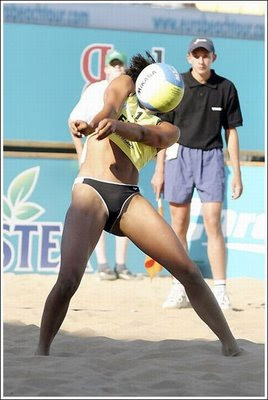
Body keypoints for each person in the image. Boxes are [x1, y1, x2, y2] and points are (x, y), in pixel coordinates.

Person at [35, 52, 241, 357]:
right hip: (91, 188)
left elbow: (146, 134)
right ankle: (41, 352)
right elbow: (108, 108)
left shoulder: (170, 129)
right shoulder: (124, 84)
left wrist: (117, 127)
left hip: (128, 197)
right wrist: (92, 125)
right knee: (68, 278)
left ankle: (230, 344)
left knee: (187, 271)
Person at [151, 37, 243, 310]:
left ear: (214, 57)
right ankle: (179, 286)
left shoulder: (226, 87)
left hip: (212, 157)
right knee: (177, 225)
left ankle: (221, 290)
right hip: (178, 156)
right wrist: (159, 171)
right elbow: (164, 132)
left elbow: (232, 132)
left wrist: (237, 172)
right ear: (188, 57)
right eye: (196, 55)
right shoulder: (175, 86)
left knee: (214, 223)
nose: (201, 59)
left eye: (206, 55)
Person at [69, 49, 138, 281]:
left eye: (120, 65)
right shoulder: (95, 90)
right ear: (106, 68)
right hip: (96, 164)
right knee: (96, 213)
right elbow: (76, 122)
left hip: (124, 162)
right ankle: (103, 265)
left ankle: (121, 265)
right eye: (113, 65)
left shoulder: (132, 92)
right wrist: (81, 155)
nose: (117, 68)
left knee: (125, 212)